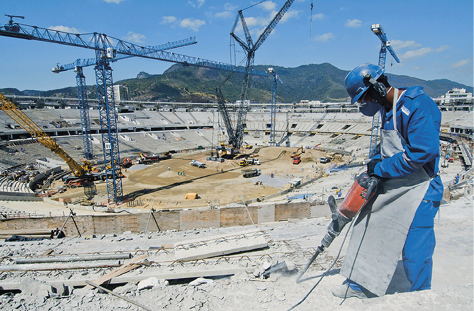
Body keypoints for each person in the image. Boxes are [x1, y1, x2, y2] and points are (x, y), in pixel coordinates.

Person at [332, 63, 443, 299]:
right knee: (367, 225)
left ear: (378, 89)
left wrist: (381, 168)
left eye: (364, 98)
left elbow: (421, 153)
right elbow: (384, 146)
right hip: (396, 183)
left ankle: (420, 295)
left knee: (415, 249)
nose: (364, 104)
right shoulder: (387, 109)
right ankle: (361, 284)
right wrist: (373, 165)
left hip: (420, 189)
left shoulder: (417, 105)